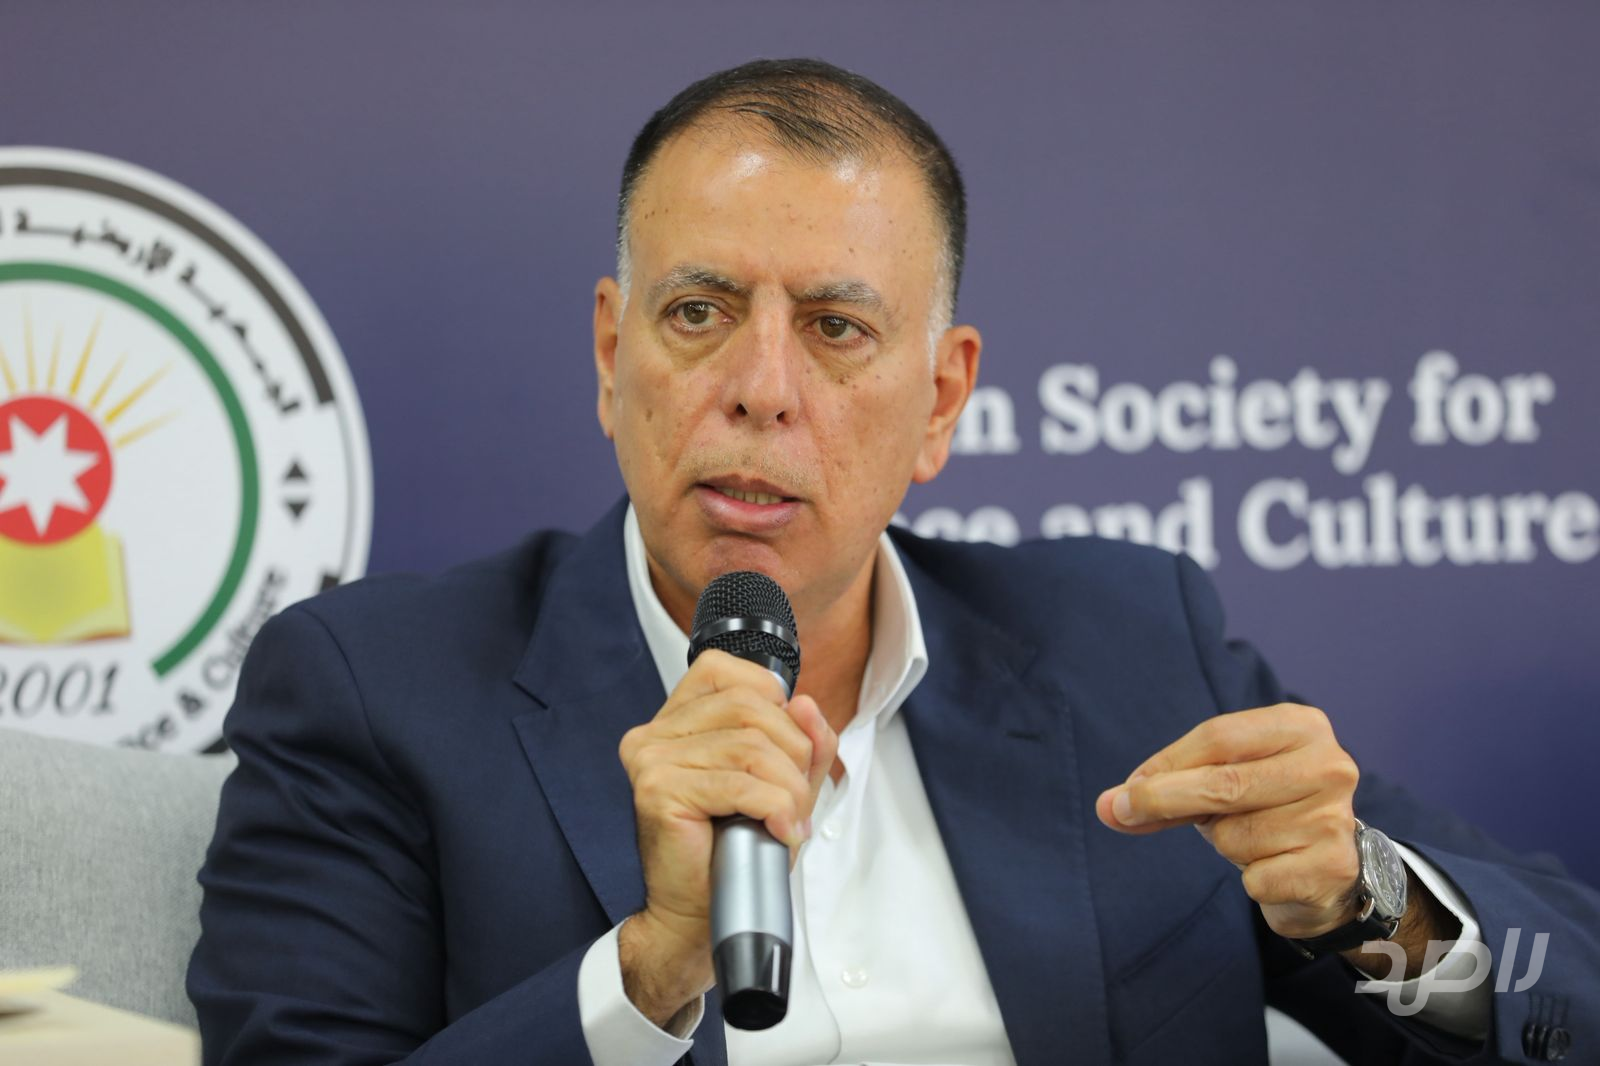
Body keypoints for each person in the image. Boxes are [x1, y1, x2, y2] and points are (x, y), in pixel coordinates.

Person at [187, 58, 1597, 1065]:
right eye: (700, 312)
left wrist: (1369, 902)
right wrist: (648, 970)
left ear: (940, 401)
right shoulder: (378, 689)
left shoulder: (1124, 643)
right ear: (614, 355)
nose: (761, 389)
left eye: (837, 329)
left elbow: (1570, 993)